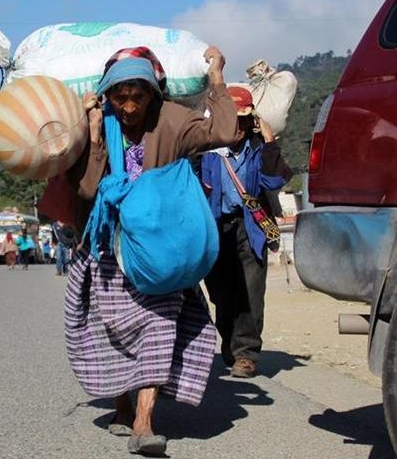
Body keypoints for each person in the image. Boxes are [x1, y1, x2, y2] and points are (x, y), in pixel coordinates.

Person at [62, 45, 240, 456]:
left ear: (153, 94)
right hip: (109, 246)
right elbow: (88, 188)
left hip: (159, 249)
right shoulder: (99, 122)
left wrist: (215, 77)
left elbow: (225, 132)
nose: (128, 106)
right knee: (114, 329)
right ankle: (123, 407)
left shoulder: (173, 120)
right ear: (106, 95)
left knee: (159, 325)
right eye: (119, 96)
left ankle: (144, 422)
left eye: (137, 96)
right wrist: (92, 134)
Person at [200, 85, 293, 378]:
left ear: (250, 120)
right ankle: (230, 344)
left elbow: (273, 182)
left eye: (242, 121)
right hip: (216, 228)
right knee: (221, 293)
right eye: (231, 120)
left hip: (251, 227)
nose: (236, 128)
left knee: (251, 291)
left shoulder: (258, 150)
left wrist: (268, 141)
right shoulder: (207, 152)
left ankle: (246, 354)